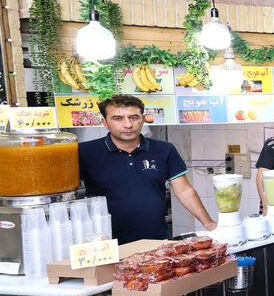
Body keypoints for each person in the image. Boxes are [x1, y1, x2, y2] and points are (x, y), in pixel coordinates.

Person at [79, 94, 216, 244]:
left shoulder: (164, 149)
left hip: (156, 241)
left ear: (143, 119)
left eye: (134, 117)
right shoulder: (86, 152)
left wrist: (209, 224)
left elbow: (184, 191)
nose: (128, 125)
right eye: (117, 118)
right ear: (105, 123)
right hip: (105, 243)